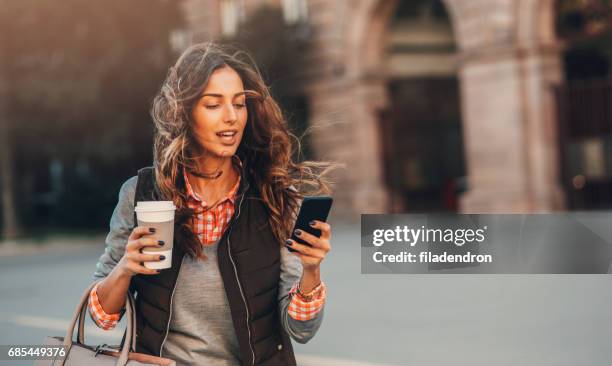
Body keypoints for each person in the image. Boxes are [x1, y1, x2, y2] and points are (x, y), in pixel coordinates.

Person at [88, 42, 334, 366]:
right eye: (213, 104)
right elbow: (103, 317)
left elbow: (300, 330)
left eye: (239, 103)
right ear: (185, 112)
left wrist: (311, 270)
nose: (232, 118)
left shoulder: (274, 199)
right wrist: (125, 268)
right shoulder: (141, 194)